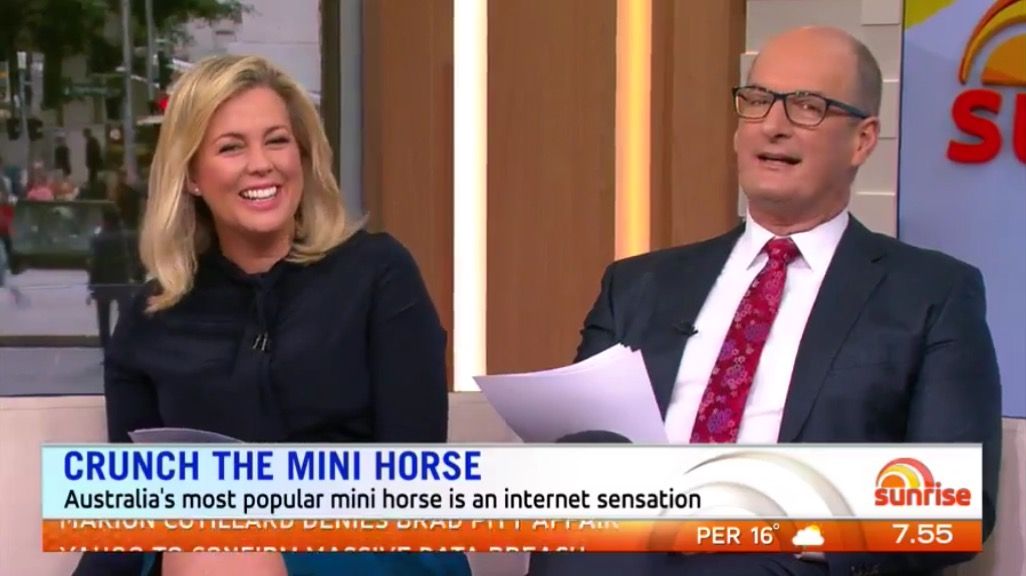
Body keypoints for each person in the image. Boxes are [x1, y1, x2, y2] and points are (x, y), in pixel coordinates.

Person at [529, 26, 1001, 576]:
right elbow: (577, 453)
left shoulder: (932, 293)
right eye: (757, 101)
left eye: (808, 106)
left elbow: (958, 500)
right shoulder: (637, 284)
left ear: (862, 140)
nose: (774, 125)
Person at [72, 55, 468, 576]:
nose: (261, 164)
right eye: (231, 147)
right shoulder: (152, 315)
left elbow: (414, 479)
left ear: (303, 156)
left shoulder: (378, 274)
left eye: (277, 141)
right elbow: (126, 514)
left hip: (378, 544)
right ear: (191, 176)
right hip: (202, 554)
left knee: (219, 546)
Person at [88, 207, 142, 351]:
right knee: (125, 314)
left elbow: (95, 263)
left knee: (103, 317)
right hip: (124, 281)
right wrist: (137, 277)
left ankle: (106, 345)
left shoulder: (99, 239)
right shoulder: (130, 237)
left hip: (103, 283)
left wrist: (92, 284)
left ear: (105, 221)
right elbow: (137, 260)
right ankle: (122, 341)